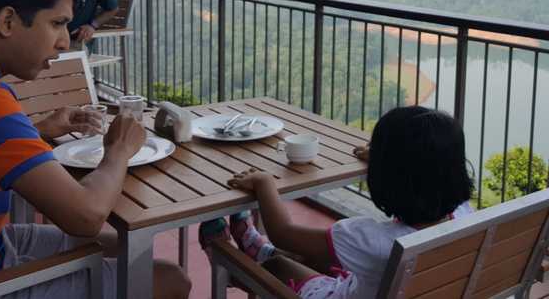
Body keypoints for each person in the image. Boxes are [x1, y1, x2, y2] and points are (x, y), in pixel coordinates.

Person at [0, 0, 190, 299]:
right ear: (7, 21)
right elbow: (85, 215)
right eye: (56, 23)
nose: (64, 40)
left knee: (127, 243)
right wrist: (118, 151)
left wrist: (38, 130)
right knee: (168, 280)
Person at [201, 106, 475, 299]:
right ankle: (257, 249)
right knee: (317, 253)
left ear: (389, 178)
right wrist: (385, 161)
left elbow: (284, 233)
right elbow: (425, 170)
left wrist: (264, 183)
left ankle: (231, 261)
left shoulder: (370, 240)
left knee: (278, 267)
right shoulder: (465, 217)